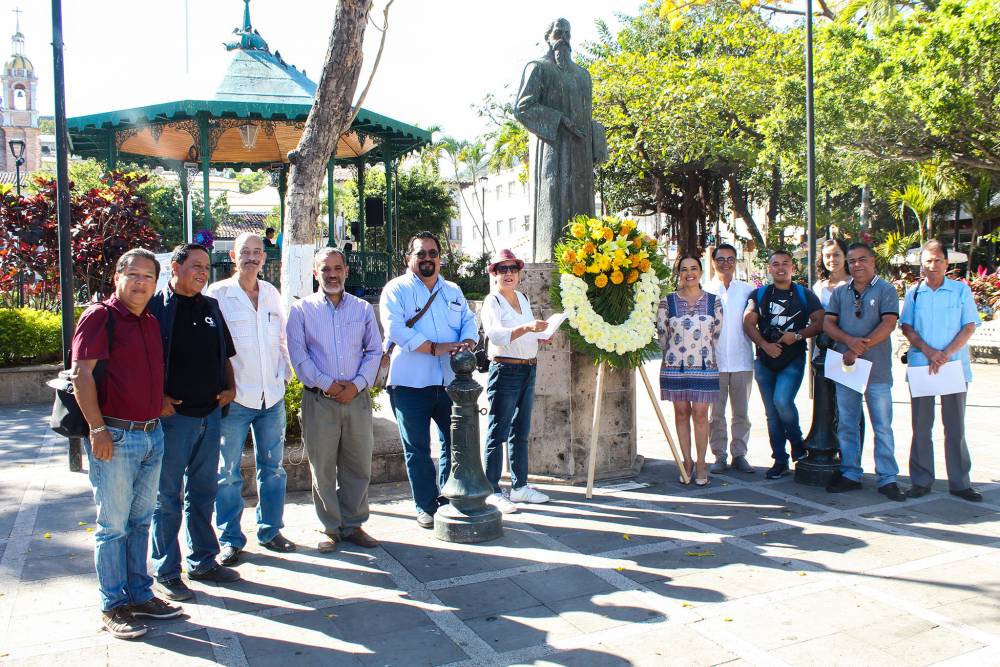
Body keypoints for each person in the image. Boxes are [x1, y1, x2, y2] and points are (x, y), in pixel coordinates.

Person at [70, 248, 182, 639]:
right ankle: (113, 604)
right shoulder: (100, 317)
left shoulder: (149, 321)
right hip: (115, 437)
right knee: (113, 527)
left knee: (140, 522)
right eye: (133, 274)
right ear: (117, 276)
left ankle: (139, 594)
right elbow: (81, 375)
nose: (140, 283)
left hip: (152, 434)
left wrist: (157, 401)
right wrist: (97, 429)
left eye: (148, 276)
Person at [149, 243, 240, 602]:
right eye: (196, 266)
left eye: (206, 267)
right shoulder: (156, 308)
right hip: (174, 421)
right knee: (167, 498)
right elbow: (144, 360)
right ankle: (167, 572)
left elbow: (226, 354)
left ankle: (203, 561)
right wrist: (157, 397)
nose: (203, 273)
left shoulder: (211, 306)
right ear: (175, 267)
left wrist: (231, 387)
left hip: (210, 416)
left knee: (203, 493)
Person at [204, 233, 294, 565]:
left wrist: (284, 374)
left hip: (272, 398)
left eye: (258, 252)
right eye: (246, 251)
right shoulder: (217, 295)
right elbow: (210, 347)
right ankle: (230, 538)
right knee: (227, 472)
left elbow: (282, 339)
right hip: (236, 399)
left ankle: (270, 530)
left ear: (265, 258)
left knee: (273, 469)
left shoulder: (271, 293)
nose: (252, 257)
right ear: (233, 255)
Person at [379, 231, 479, 528]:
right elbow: (396, 329)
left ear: (440, 258)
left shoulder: (453, 290)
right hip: (410, 382)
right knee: (417, 449)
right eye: (420, 253)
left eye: (432, 253)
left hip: (451, 382)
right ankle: (425, 505)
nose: (427, 259)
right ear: (408, 258)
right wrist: (434, 348)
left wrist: (467, 342)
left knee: (454, 443)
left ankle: (449, 497)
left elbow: (469, 321)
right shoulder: (396, 289)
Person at [287, 248, 383, 551]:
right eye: (325, 269)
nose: (332, 274)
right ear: (315, 273)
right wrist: (328, 385)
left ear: (346, 271)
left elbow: (374, 350)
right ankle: (329, 527)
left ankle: (353, 524)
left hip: (357, 399)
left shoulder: (362, 309)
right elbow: (298, 356)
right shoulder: (301, 311)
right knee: (323, 467)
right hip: (319, 401)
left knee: (358, 465)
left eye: (337, 268)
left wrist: (356, 385)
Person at [514, 18, 606, 263]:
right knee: (554, 203)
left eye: (567, 33)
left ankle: (587, 261)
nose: (563, 37)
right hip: (551, 152)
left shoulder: (583, 75)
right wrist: (561, 121)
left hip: (581, 154)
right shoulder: (538, 68)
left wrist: (597, 134)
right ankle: (551, 258)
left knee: (582, 204)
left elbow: (586, 115)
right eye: (558, 33)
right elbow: (523, 108)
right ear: (548, 37)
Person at [900, 240, 982, 502]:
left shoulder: (960, 291)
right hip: (922, 366)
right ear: (921, 264)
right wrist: (929, 352)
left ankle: (960, 483)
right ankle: (921, 480)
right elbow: (907, 327)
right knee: (921, 426)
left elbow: (969, 326)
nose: (932, 265)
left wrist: (945, 354)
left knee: (955, 427)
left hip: (953, 366)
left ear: (946, 263)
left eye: (937, 260)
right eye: (928, 261)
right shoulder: (914, 293)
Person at [823, 242, 906, 501]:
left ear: (873, 261)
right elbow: (828, 323)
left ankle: (888, 477)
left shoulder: (886, 289)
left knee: (882, 425)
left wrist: (858, 348)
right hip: (846, 367)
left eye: (862, 259)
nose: (857, 264)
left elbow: (889, 323)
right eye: (852, 261)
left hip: (877, 370)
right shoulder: (840, 292)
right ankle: (850, 472)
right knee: (847, 423)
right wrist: (849, 342)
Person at [480, 249, 551, 514]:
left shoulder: (522, 297)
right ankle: (492, 490)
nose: (508, 273)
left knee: (520, 431)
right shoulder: (493, 301)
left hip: (528, 368)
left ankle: (520, 486)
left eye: (513, 269)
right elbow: (496, 335)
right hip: (505, 369)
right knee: (497, 432)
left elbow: (527, 333)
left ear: (519, 273)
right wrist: (528, 328)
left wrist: (541, 334)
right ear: (495, 274)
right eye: (503, 269)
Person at [743, 250, 825, 479]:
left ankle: (797, 443)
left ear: (792, 267)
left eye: (785, 264)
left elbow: (821, 321)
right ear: (769, 268)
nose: (780, 268)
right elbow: (747, 322)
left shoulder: (804, 294)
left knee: (782, 401)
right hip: (765, 360)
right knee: (772, 413)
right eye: (776, 264)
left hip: (793, 359)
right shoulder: (759, 294)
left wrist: (797, 335)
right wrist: (764, 344)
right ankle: (780, 459)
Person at [657, 255, 723, 486]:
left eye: (694, 268)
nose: (689, 273)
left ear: (701, 272)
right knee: (681, 413)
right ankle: (687, 461)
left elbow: (716, 333)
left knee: (701, 414)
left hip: (705, 367)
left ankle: (702, 462)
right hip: (675, 367)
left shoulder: (714, 301)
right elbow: (662, 336)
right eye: (684, 269)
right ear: (679, 273)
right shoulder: (667, 302)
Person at [705, 244, 755, 474]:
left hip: (742, 360)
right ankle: (719, 455)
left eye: (730, 259)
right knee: (715, 414)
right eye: (721, 259)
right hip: (714, 362)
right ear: (713, 262)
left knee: (741, 413)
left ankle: (739, 454)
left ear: (736, 262)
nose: (726, 263)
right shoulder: (705, 291)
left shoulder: (747, 291)